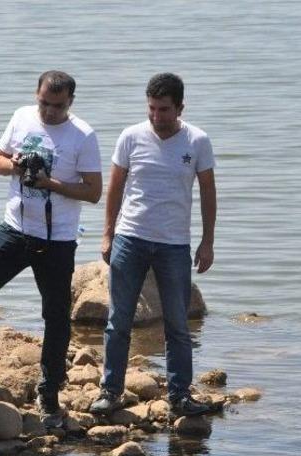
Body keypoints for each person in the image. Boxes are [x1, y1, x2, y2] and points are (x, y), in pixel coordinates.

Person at [0, 71, 102, 425]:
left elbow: (93, 192)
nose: (48, 111)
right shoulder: (22, 117)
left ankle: (49, 394)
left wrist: (51, 183)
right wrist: (15, 167)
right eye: (44, 102)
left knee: (56, 317)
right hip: (14, 229)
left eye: (57, 106)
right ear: (37, 95)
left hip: (57, 239)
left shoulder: (83, 135)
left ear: (70, 103)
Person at [89, 73, 218, 418]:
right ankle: (110, 390)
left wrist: (208, 241)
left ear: (180, 107)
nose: (157, 117)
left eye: (164, 110)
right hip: (130, 238)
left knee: (177, 322)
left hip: (174, 245)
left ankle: (180, 394)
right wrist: (107, 233)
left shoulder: (197, 141)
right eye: (152, 109)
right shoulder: (131, 137)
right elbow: (115, 187)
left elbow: (207, 192)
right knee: (119, 320)